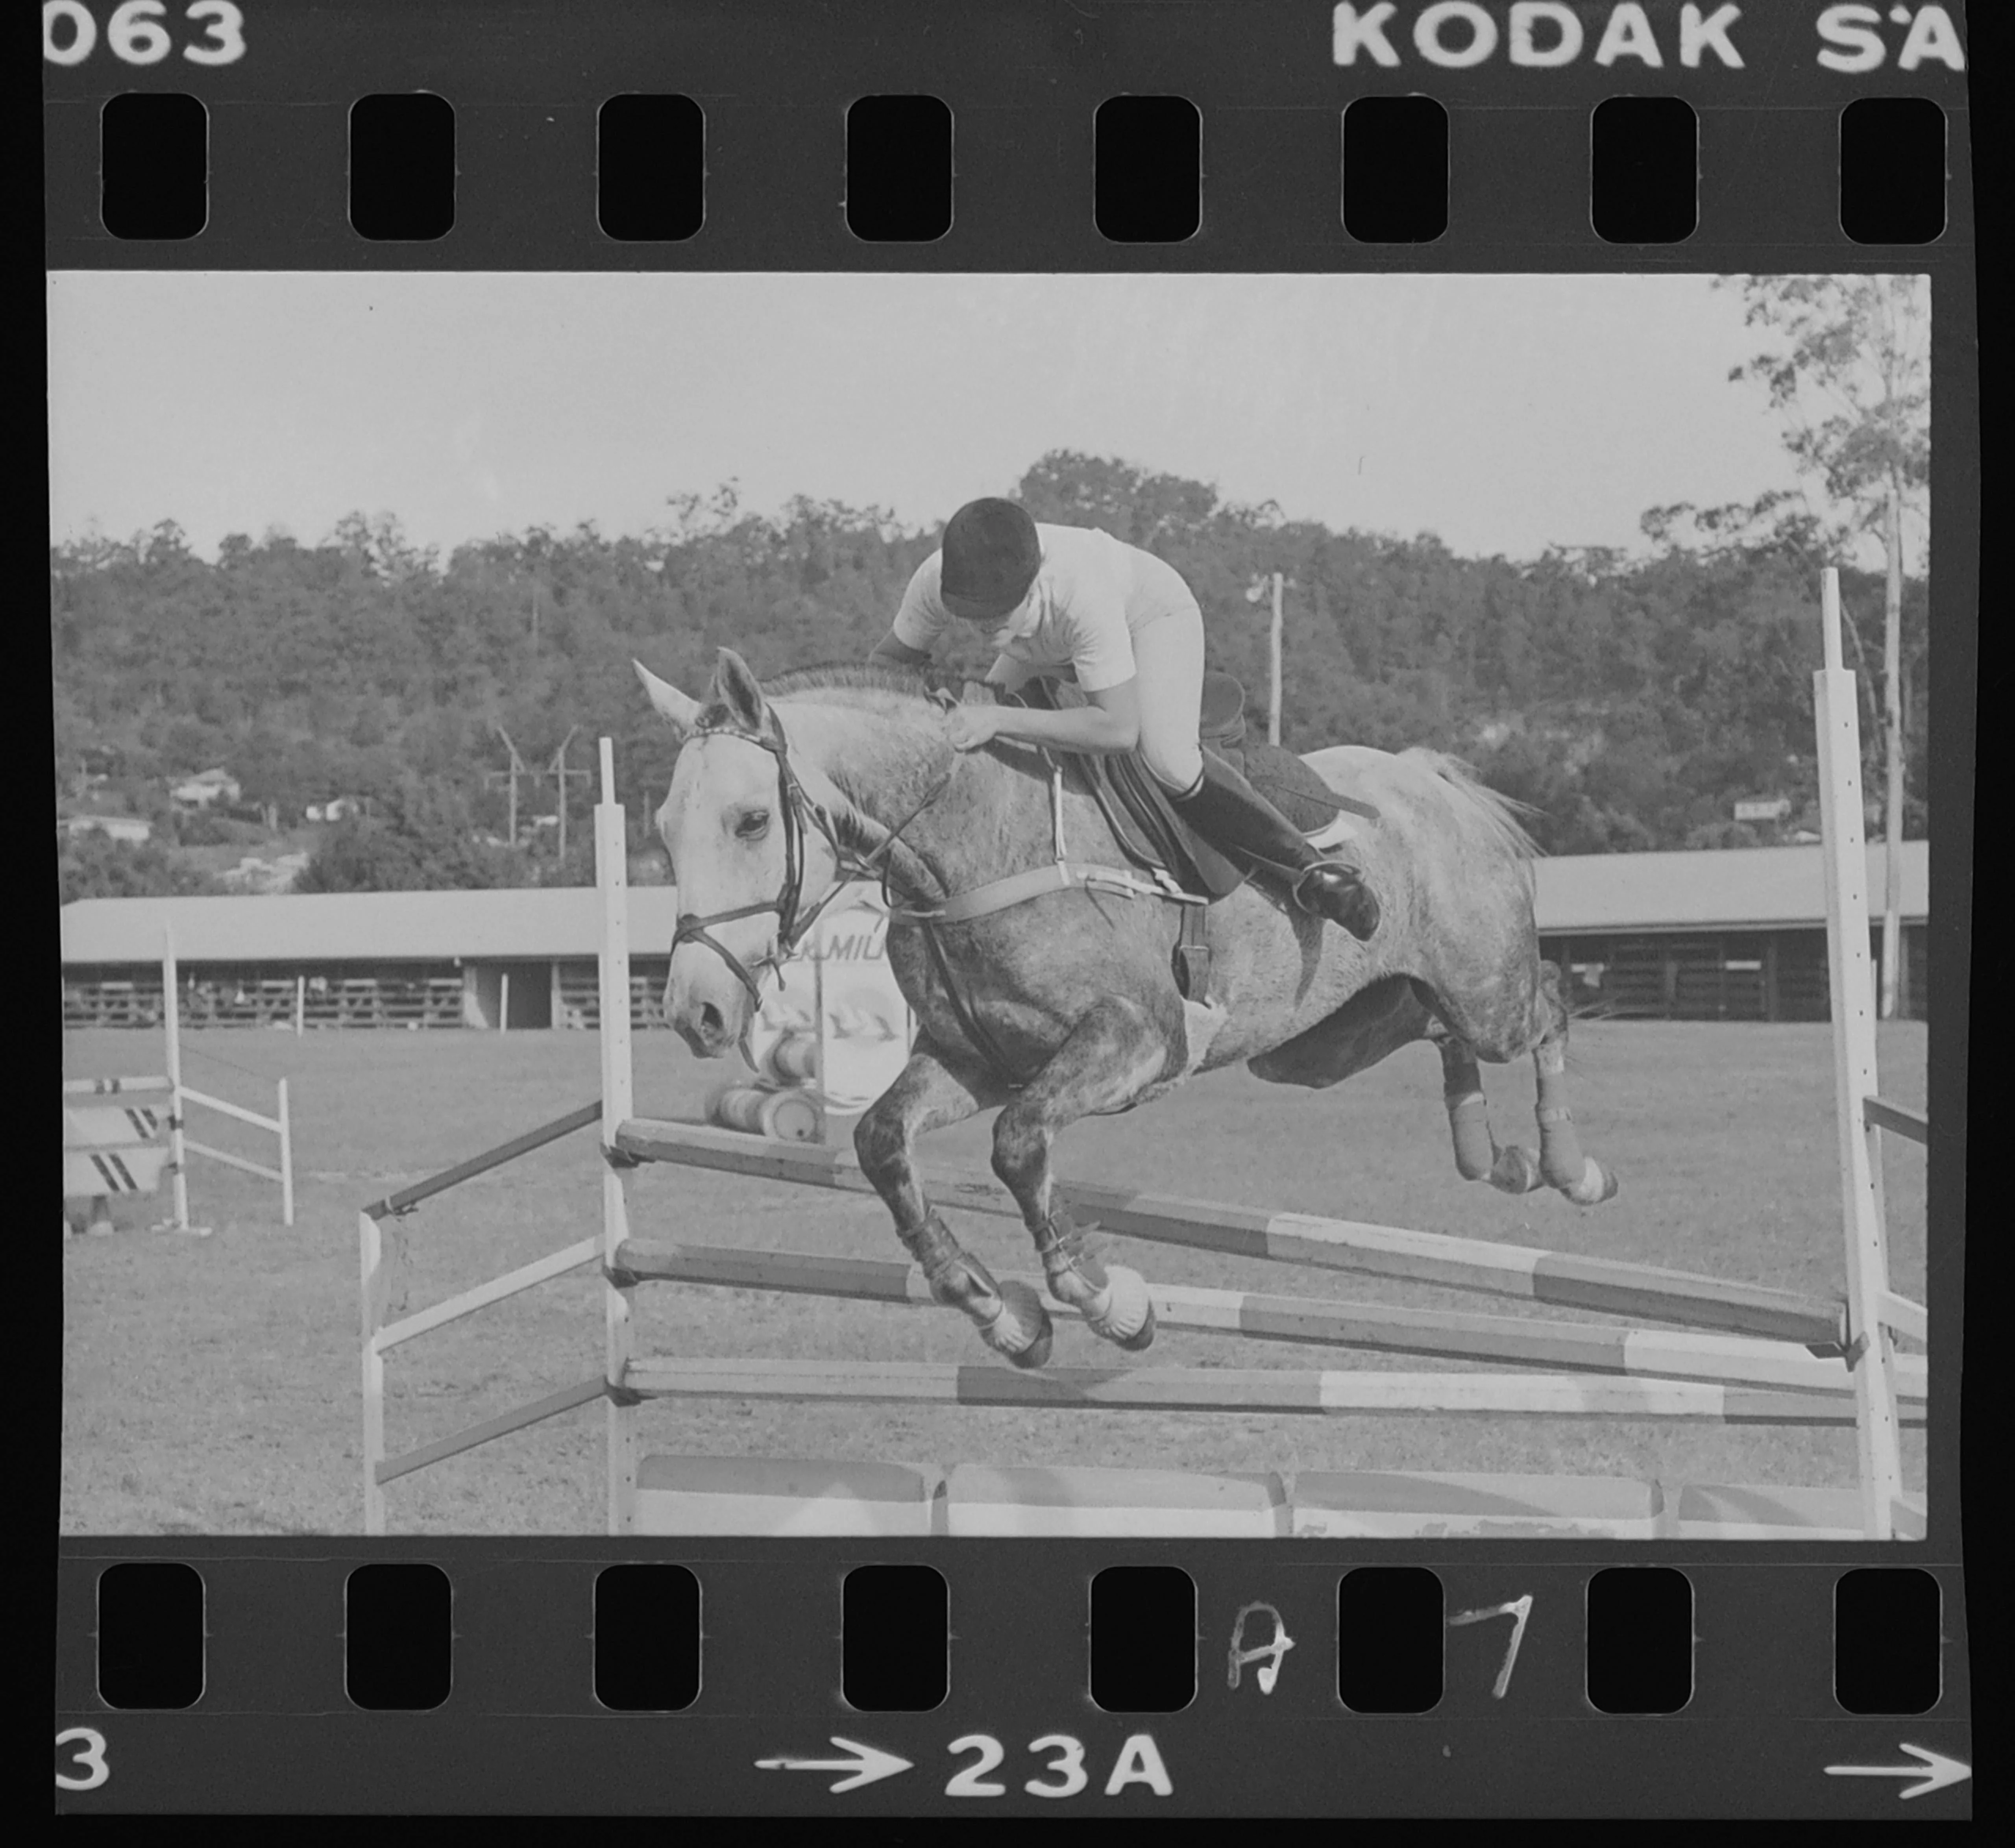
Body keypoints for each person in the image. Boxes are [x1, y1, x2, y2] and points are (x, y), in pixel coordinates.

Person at [868, 498, 1379, 939]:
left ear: (1032, 584)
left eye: (998, 615)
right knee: (986, 724)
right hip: (1044, 639)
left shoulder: (1079, 591)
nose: (982, 627)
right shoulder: (936, 581)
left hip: (1150, 617)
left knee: (1166, 760)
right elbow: (885, 665)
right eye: (971, 617)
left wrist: (998, 717)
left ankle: (1309, 870)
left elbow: (1117, 728)